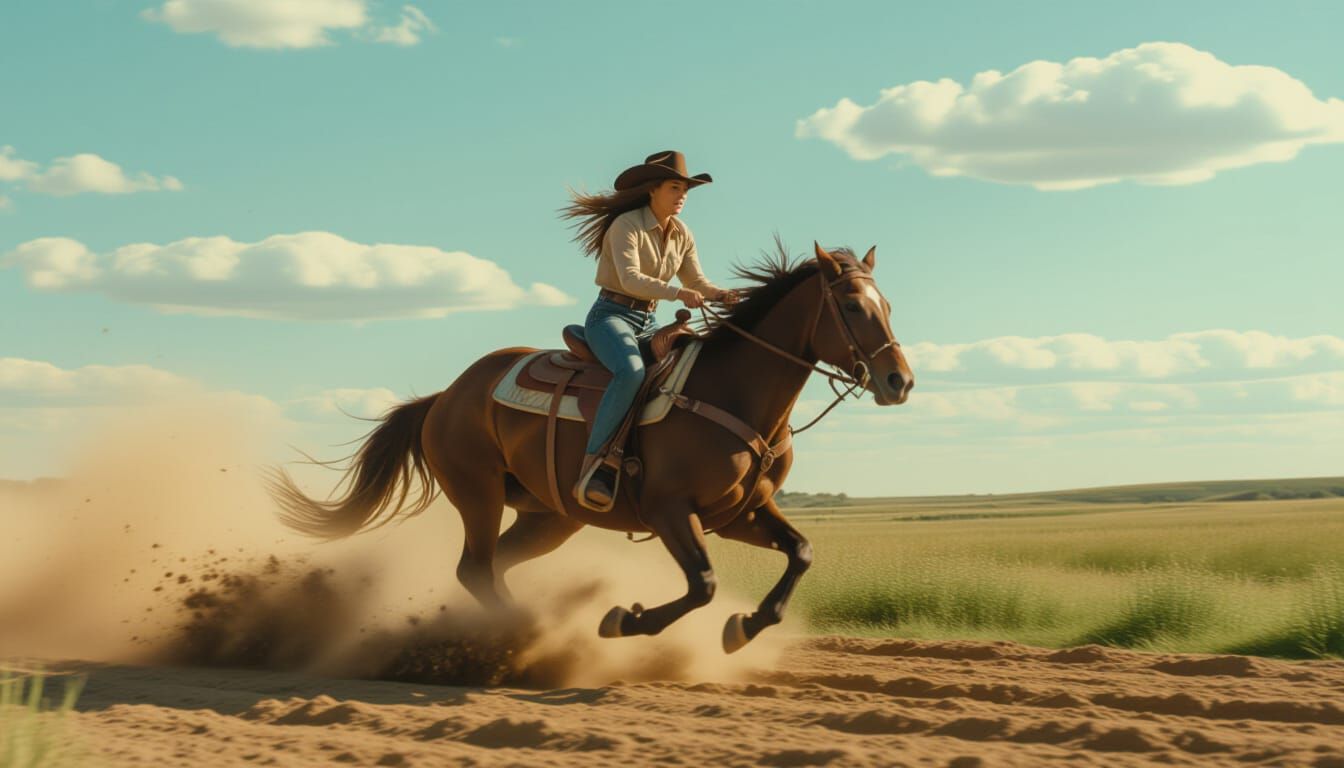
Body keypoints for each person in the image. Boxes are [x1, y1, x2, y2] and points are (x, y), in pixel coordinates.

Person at [560, 150, 737, 511]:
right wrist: (677, 293)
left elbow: (696, 280)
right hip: (610, 316)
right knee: (630, 372)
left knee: (689, 369)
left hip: (650, 321)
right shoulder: (626, 225)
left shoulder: (683, 233)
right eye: (675, 187)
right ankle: (594, 463)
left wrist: (722, 294)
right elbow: (630, 279)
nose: (682, 195)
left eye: (686, 189)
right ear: (652, 190)